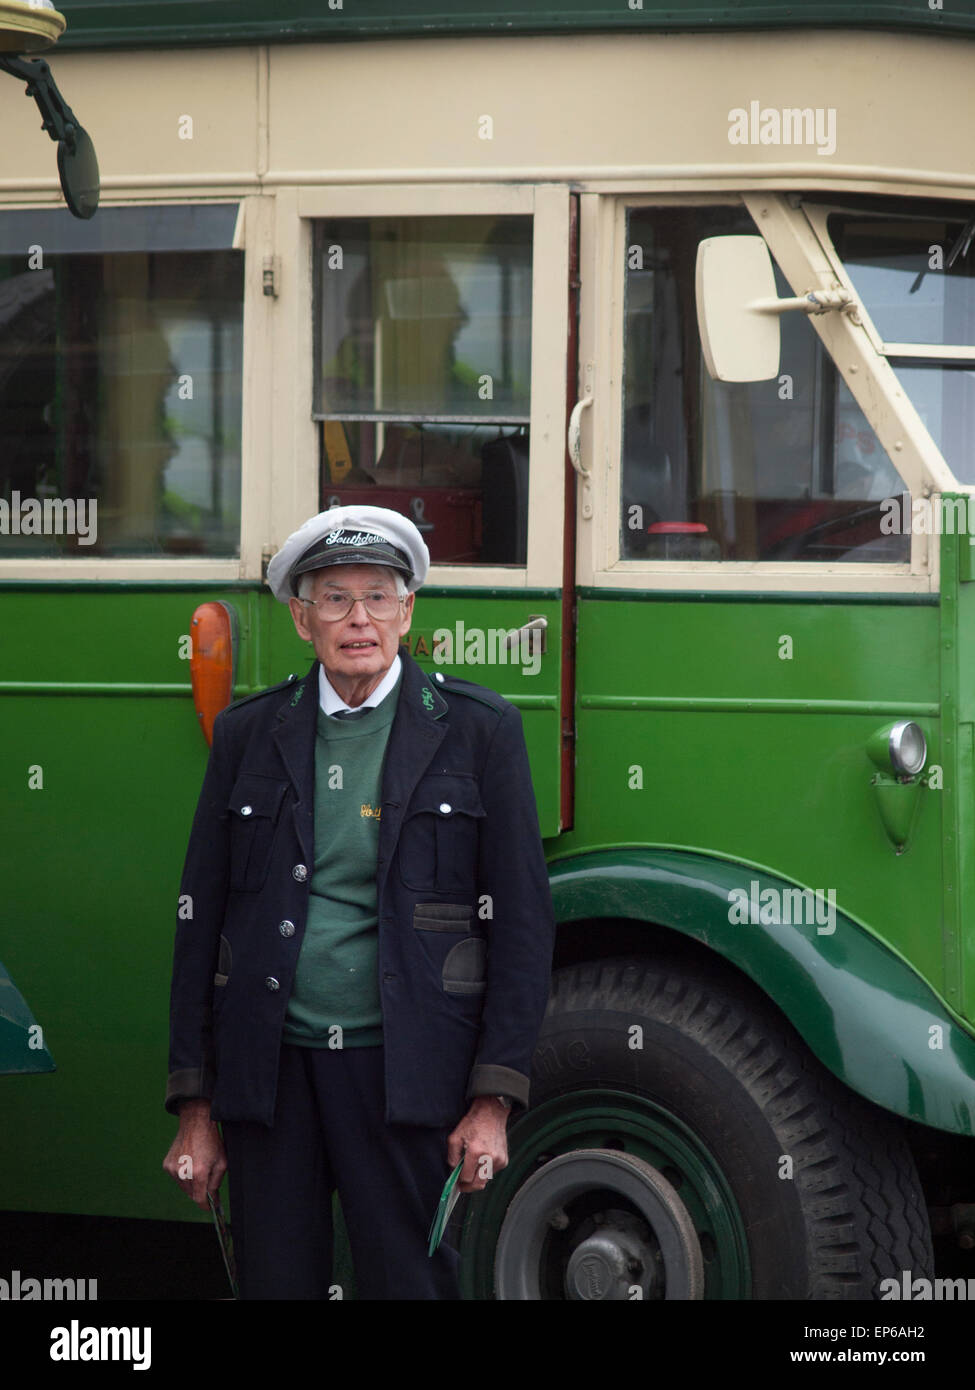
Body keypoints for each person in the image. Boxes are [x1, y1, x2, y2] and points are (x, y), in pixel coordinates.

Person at [162, 503, 555, 1299]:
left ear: (407, 612)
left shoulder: (479, 731)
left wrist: (493, 1101)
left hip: (408, 1074)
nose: (358, 619)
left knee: (410, 1284)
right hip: (271, 1075)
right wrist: (196, 1107)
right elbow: (199, 921)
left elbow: (520, 924)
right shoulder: (249, 733)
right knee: (276, 1285)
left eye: (378, 597)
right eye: (334, 599)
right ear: (302, 619)